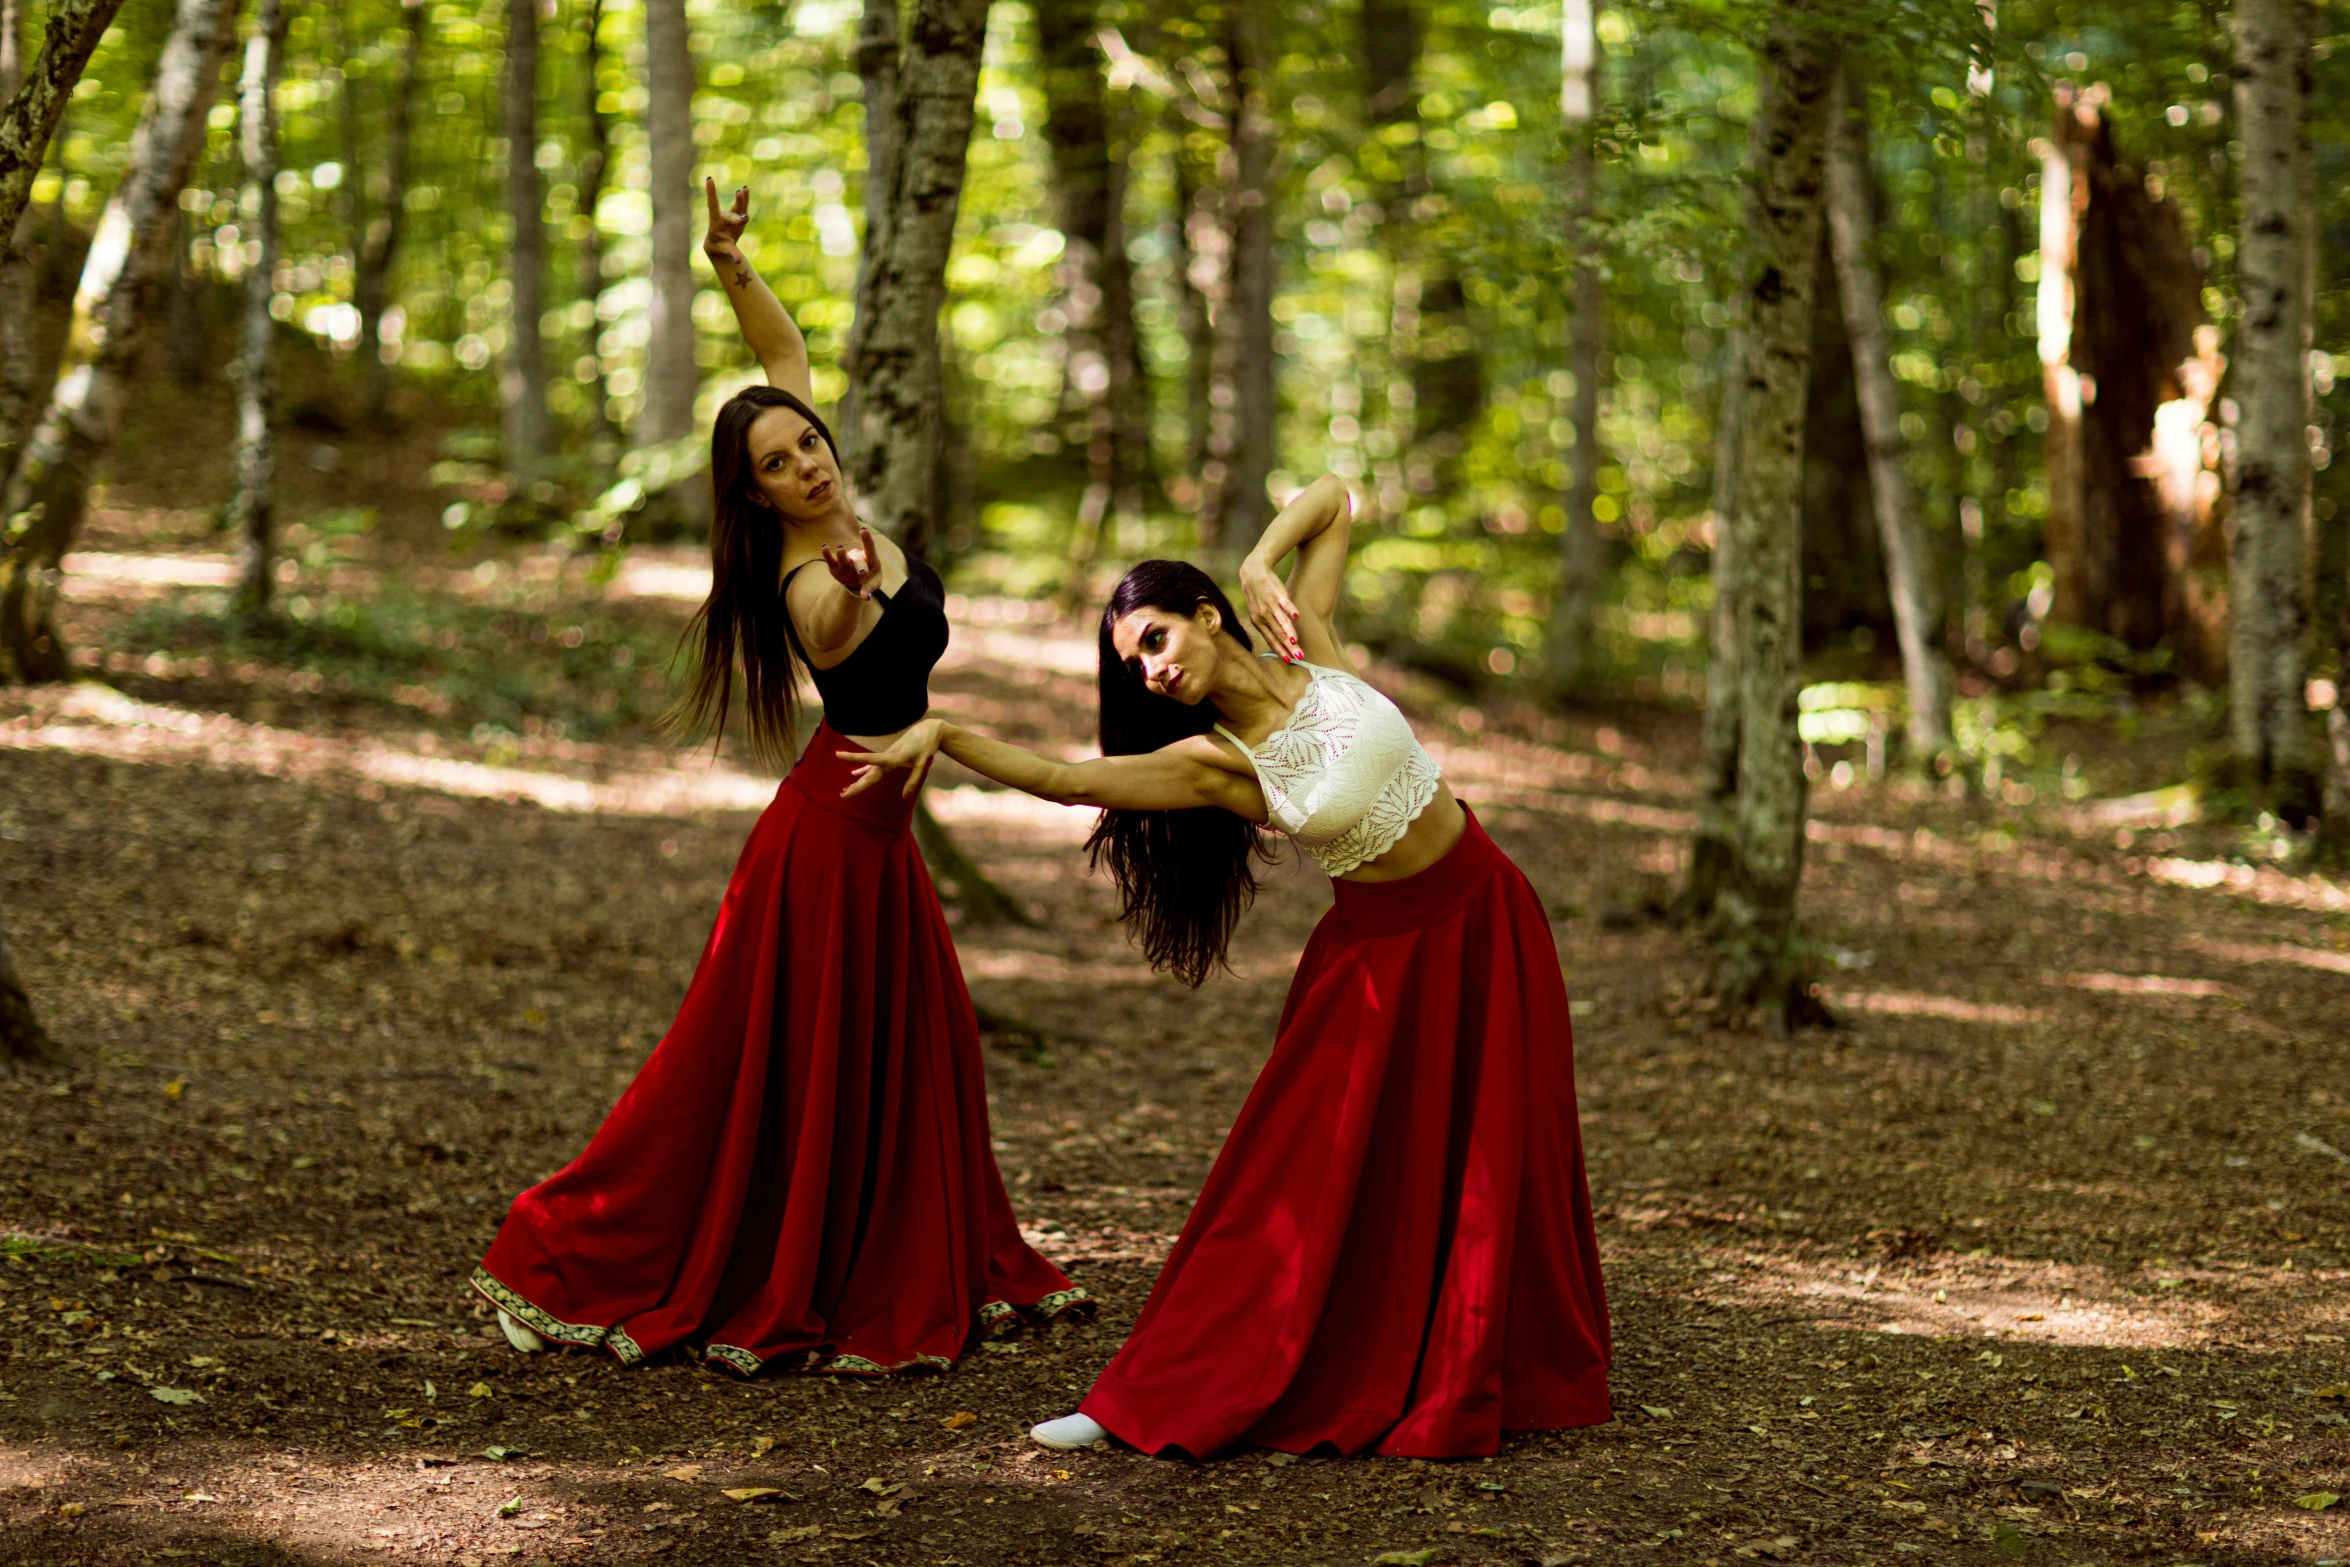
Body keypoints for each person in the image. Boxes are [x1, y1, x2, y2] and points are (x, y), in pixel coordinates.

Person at [839, 475, 1611, 1457]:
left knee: (1503, 1148)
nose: (1150, 673)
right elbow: (1072, 780)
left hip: (1489, 915)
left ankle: (1504, 1360)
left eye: (1154, 640)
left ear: (1207, 613)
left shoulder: (1311, 645)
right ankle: (1151, 1391)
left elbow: (1333, 498)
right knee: (1290, 1176)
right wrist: (946, 734)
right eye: (1134, 666)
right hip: (1378, 960)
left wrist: (1258, 558)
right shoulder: (1219, 761)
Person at [468, 181, 1086, 1377]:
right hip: (823, 855)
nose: (806, 462)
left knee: (904, 1064)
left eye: (808, 443)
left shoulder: (819, 472)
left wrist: (728, 262)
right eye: (778, 462)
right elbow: (851, 640)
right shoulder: (810, 582)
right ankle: (561, 1246)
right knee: (730, 1077)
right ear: (753, 495)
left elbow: (783, 351)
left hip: (876, 848)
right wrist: (856, 582)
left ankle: (889, 1252)